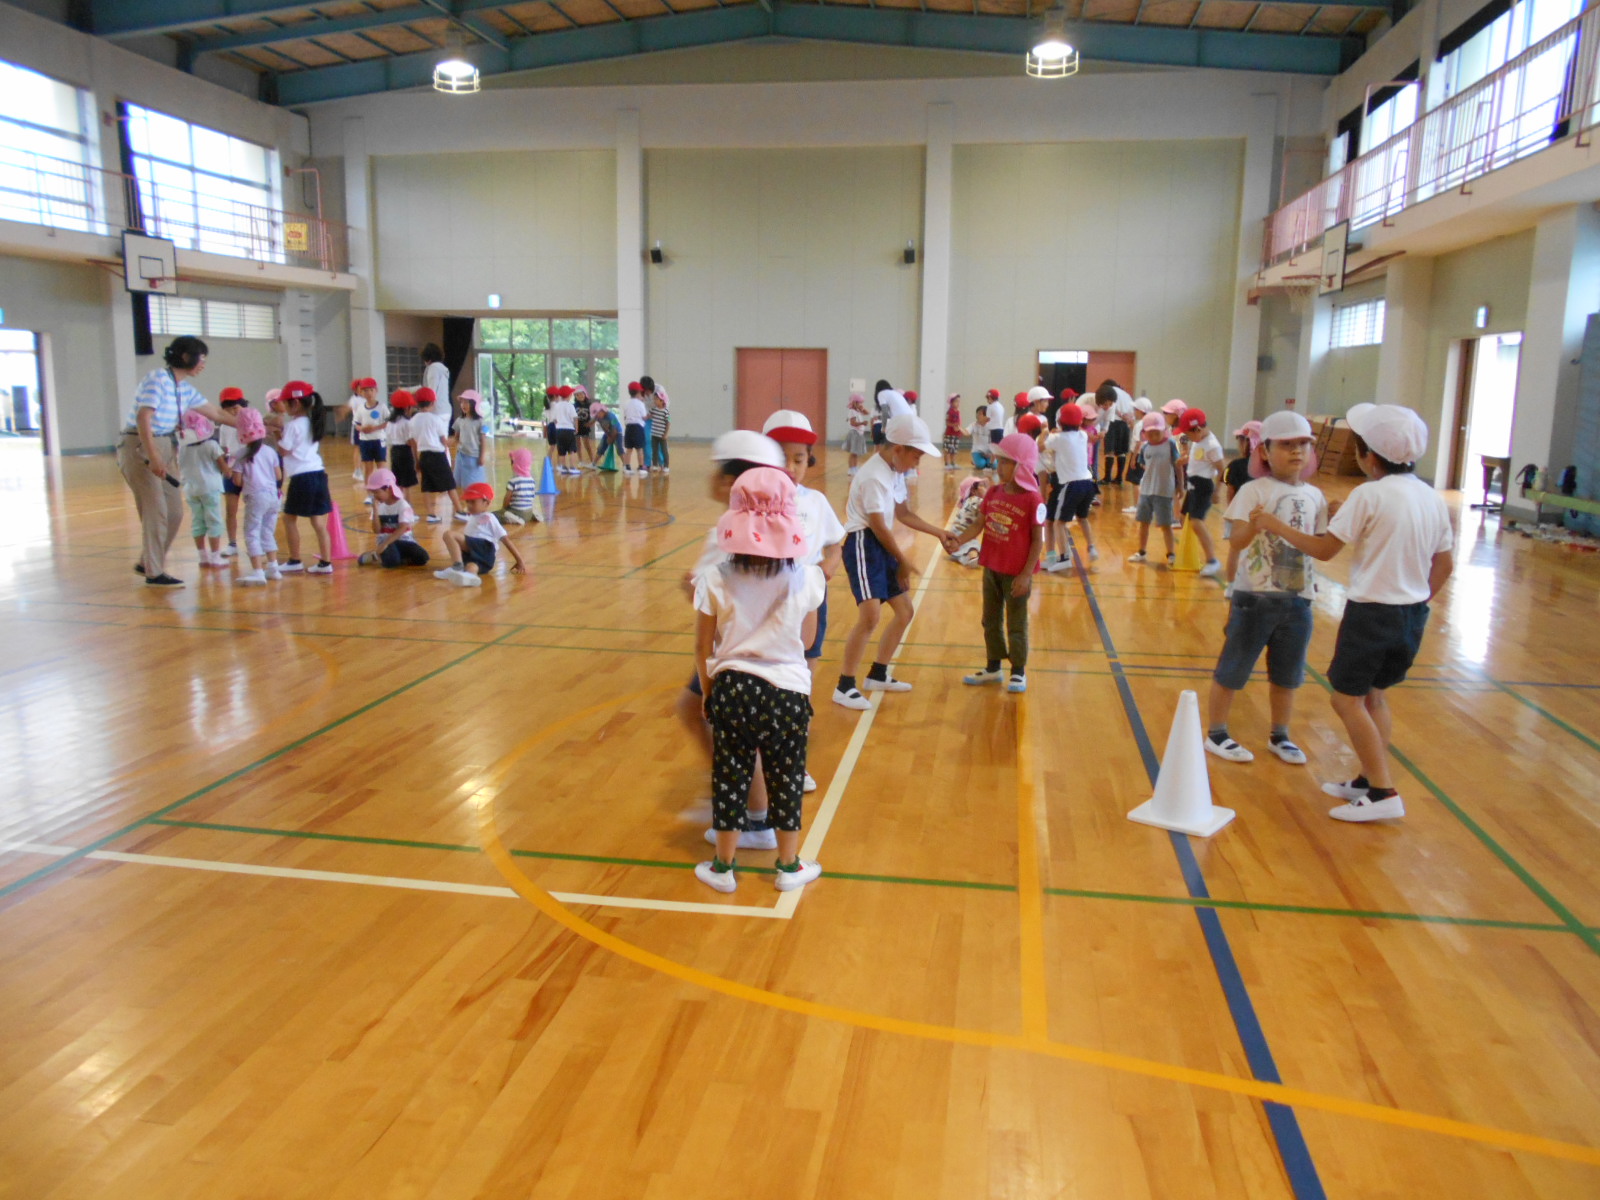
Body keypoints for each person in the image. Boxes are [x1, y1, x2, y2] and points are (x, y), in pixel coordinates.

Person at [1249, 403, 1453, 823]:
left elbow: (1325, 549)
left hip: (1372, 614)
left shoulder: (1369, 493)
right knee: (1374, 695)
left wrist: (1276, 524)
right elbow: (1444, 564)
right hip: (1412, 615)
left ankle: (1382, 790)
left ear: (1367, 456)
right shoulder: (1429, 496)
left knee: (1345, 700)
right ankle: (1367, 777)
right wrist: (1415, 601)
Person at [692, 466, 826, 894]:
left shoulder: (715, 577)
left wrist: (709, 695)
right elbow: (806, 641)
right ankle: (788, 868)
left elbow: (703, 646)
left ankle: (723, 867)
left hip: (732, 686)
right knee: (786, 777)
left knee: (729, 775)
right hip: (788, 689)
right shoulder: (806, 578)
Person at [677, 431, 789, 849]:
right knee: (706, 717)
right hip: (758, 645)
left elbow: (713, 597)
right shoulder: (774, 530)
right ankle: (739, 802)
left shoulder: (728, 535)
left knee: (729, 729)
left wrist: (692, 589)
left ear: (730, 482)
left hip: (730, 649)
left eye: (716, 470)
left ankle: (755, 820)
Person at [1205, 411, 1327, 766]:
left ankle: (1280, 734)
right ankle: (1217, 732)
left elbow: (1316, 543)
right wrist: (1258, 526)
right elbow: (1237, 542)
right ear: (1264, 451)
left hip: (1299, 599)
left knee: (1287, 675)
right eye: (1286, 445)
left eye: (1303, 444)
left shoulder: (1315, 496)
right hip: (1254, 598)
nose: (1296, 452)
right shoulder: (1252, 490)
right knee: (1234, 668)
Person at [834, 414, 958, 709]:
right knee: (870, 617)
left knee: (904, 611)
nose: (918, 462)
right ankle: (844, 686)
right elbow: (877, 526)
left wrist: (939, 532)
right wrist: (901, 560)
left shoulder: (895, 471)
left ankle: (878, 673)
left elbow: (902, 514)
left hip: (881, 543)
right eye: (916, 455)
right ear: (898, 448)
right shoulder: (875, 476)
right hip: (864, 545)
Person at [118, 335, 239, 588]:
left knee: (173, 512)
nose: (203, 364)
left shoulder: (183, 388)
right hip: (141, 444)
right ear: (185, 357)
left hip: (165, 444)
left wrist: (254, 425)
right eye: (201, 358)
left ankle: (147, 561)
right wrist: (153, 457)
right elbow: (144, 418)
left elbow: (216, 413)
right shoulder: (157, 379)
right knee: (155, 511)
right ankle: (154, 572)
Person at [761, 410, 846, 710]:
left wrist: (829, 565)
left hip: (809, 593)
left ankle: (800, 706)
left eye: (798, 459)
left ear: (808, 460)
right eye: (780, 458)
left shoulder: (815, 501)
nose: (789, 467)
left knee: (810, 651)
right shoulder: (753, 501)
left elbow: (836, 541)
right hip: (767, 593)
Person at [961, 433, 1045, 693]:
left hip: (1016, 574)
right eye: (999, 460)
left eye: (1005, 462)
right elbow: (979, 524)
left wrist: (1026, 575)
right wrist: (958, 540)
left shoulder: (1033, 499)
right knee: (990, 619)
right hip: (991, 567)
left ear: (1021, 466)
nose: (998, 466)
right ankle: (993, 667)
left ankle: (1018, 671)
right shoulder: (995, 492)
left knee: (1016, 622)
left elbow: (1037, 541)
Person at [275, 380, 335, 575]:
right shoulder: (311, 422)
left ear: (296, 403)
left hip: (302, 478)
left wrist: (276, 434)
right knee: (318, 522)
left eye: (286, 402)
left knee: (289, 519)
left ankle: (295, 560)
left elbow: (283, 450)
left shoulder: (293, 425)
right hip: (318, 474)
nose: (283, 406)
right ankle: (326, 563)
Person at [227, 406, 282, 584]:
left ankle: (258, 571)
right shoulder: (270, 451)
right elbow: (279, 475)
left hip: (256, 497)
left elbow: (236, 480)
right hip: (274, 497)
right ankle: (273, 568)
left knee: (251, 532)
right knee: (267, 532)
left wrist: (249, 481)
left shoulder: (242, 454)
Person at [435, 481, 526, 587]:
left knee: (449, 535)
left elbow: (505, 540)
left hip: (484, 548)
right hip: (485, 559)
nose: (468, 505)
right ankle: (471, 576)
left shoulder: (490, 518)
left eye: (473, 502)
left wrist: (520, 560)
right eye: (467, 502)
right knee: (471, 566)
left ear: (486, 503)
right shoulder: (473, 517)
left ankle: (457, 568)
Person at [1042, 404, 1097, 571]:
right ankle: (1092, 547)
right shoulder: (1082, 435)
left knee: (1059, 523)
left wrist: (1045, 431)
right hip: (1088, 483)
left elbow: (1041, 446)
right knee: (1082, 518)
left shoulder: (1057, 439)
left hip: (1071, 484)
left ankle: (1064, 557)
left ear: (1060, 421)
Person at [1176, 407, 1226, 578]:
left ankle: (1212, 560)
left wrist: (1218, 491)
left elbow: (1222, 470)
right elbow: (1200, 458)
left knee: (1197, 522)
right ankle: (1191, 552)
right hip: (1193, 484)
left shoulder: (1212, 445)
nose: (1188, 439)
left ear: (1197, 429)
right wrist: (1187, 459)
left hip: (1203, 486)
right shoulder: (1199, 441)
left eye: (1189, 435)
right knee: (1184, 519)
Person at [1126, 413, 1180, 567]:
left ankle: (1171, 554)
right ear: (1145, 433)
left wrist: (1180, 485)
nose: (1154, 436)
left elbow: (1177, 465)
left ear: (1164, 430)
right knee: (1143, 522)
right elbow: (1144, 464)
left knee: (1166, 525)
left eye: (1157, 432)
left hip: (1164, 492)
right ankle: (1141, 551)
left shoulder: (1170, 444)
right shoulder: (1145, 447)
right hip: (1146, 491)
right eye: (1150, 433)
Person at [179, 410, 228, 569]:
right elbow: (224, 469)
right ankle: (215, 556)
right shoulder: (212, 445)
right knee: (213, 520)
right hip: (210, 488)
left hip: (191, 488)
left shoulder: (182, 448)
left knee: (197, 521)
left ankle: (203, 556)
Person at [359, 468, 431, 569]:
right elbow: (377, 530)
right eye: (373, 493)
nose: (374, 496)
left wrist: (385, 544)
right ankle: (378, 556)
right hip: (387, 542)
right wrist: (375, 510)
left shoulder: (403, 505)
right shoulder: (379, 507)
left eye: (376, 492)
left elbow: (402, 528)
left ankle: (382, 555)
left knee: (423, 557)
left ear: (388, 489)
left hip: (404, 541)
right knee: (391, 562)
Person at [411, 387, 460, 524]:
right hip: (437, 455)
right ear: (432, 403)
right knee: (450, 483)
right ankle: (460, 510)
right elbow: (444, 441)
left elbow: (413, 442)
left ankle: (431, 514)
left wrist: (416, 460)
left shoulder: (413, 420)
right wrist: (455, 439)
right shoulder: (436, 419)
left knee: (426, 486)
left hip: (424, 455)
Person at [1222, 420, 1262, 589]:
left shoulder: (1236, 465)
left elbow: (1230, 491)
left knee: (1235, 549)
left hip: (1239, 515)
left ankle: (1231, 585)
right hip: (1258, 517)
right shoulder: (1268, 469)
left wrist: (1232, 512)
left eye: (1241, 440)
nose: (1238, 444)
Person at [217, 386, 247, 558]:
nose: (234, 411)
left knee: (253, 509)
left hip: (249, 469)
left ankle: (256, 540)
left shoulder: (250, 420)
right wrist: (225, 467)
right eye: (229, 409)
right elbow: (223, 448)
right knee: (231, 509)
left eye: (236, 407)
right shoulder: (224, 426)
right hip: (231, 468)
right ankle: (232, 543)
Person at [352, 379, 387, 495]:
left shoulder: (382, 406)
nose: (369, 393)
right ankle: (370, 493)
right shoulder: (361, 408)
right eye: (365, 391)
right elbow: (356, 424)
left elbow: (388, 422)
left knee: (381, 466)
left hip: (378, 440)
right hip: (365, 441)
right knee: (368, 468)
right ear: (361, 393)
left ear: (376, 391)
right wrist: (363, 429)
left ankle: (383, 490)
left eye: (371, 390)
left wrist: (375, 428)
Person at [945, 476, 987, 567]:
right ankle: (972, 557)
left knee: (966, 546)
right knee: (972, 545)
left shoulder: (968, 500)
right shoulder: (976, 500)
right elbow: (989, 505)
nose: (985, 488)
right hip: (963, 532)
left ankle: (961, 556)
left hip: (956, 531)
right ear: (973, 490)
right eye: (982, 486)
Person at [452, 390, 488, 490]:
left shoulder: (481, 422)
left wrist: (482, 456)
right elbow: (456, 437)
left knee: (473, 483)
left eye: (467, 402)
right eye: (462, 402)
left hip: (474, 457)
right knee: (461, 482)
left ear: (474, 404)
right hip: (461, 456)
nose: (463, 405)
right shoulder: (459, 420)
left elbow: (483, 440)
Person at [385, 390, 418, 498]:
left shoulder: (390, 422)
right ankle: (407, 507)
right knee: (406, 482)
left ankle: (398, 503)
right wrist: (416, 459)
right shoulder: (407, 423)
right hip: (405, 452)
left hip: (394, 451)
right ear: (406, 408)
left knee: (398, 480)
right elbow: (410, 441)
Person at [499, 447, 541, 527]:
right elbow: (532, 496)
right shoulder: (532, 480)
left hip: (517, 512)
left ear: (516, 464)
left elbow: (507, 498)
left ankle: (515, 519)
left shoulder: (513, 481)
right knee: (527, 510)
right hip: (528, 512)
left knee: (501, 514)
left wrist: (504, 508)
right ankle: (534, 514)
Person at [548, 386, 580, 475]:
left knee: (561, 450)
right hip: (569, 430)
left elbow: (554, 419)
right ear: (569, 395)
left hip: (558, 430)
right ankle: (572, 467)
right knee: (571, 450)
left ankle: (563, 467)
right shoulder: (570, 406)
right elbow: (575, 418)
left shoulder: (557, 406)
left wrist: (559, 424)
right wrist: (576, 428)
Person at [621, 383, 650, 476]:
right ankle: (641, 467)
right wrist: (651, 415)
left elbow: (625, 416)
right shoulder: (640, 404)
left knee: (628, 449)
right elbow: (644, 417)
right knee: (639, 449)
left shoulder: (626, 403)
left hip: (629, 427)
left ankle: (627, 467)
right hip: (638, 428)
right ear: (638, 393)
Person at [843, 392, 872, 475]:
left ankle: (854, 467)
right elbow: (853, 423)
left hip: (859, 433)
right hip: (854, 433)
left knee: (856, 452)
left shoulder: (858, 411)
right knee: (853, 452)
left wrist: (862, 408)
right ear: (854, 402)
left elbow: (867, 413)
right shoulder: (852, 411)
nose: (861, 404)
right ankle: (851, 468)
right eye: (860, 402)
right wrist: (862, 423)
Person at [419, 343, 449, 418]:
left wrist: (426, 408)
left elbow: (431, 391)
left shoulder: (433, 368)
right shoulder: (443, 368)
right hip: (445, 409)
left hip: (436, 410)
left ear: (428, 358)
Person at [648, 386, 671, 474]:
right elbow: (649, 416)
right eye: (654, 399)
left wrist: (666, 434)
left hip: (662, 435)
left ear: (662, 401)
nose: (654, 401)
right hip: (654, 434)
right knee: (654, 450)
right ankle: (655, 465)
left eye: (656, 399)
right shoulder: (653, 410)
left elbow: (668, 423)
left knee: (664, 450)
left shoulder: (666, 412)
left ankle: (666, 466)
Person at [942, 393, 965, 470]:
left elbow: (959, 422)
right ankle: (947, 463)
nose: (958, 403)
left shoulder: (958, 412)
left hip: (956, 434)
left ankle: (953, 463)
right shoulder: (950, 412)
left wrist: (960, 430)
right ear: (951, 402)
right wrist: (954, 425)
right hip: (950, 434)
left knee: (954, 450)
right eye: (956, 401)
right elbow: (947, 422)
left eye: (959, 401)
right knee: (948, 449)